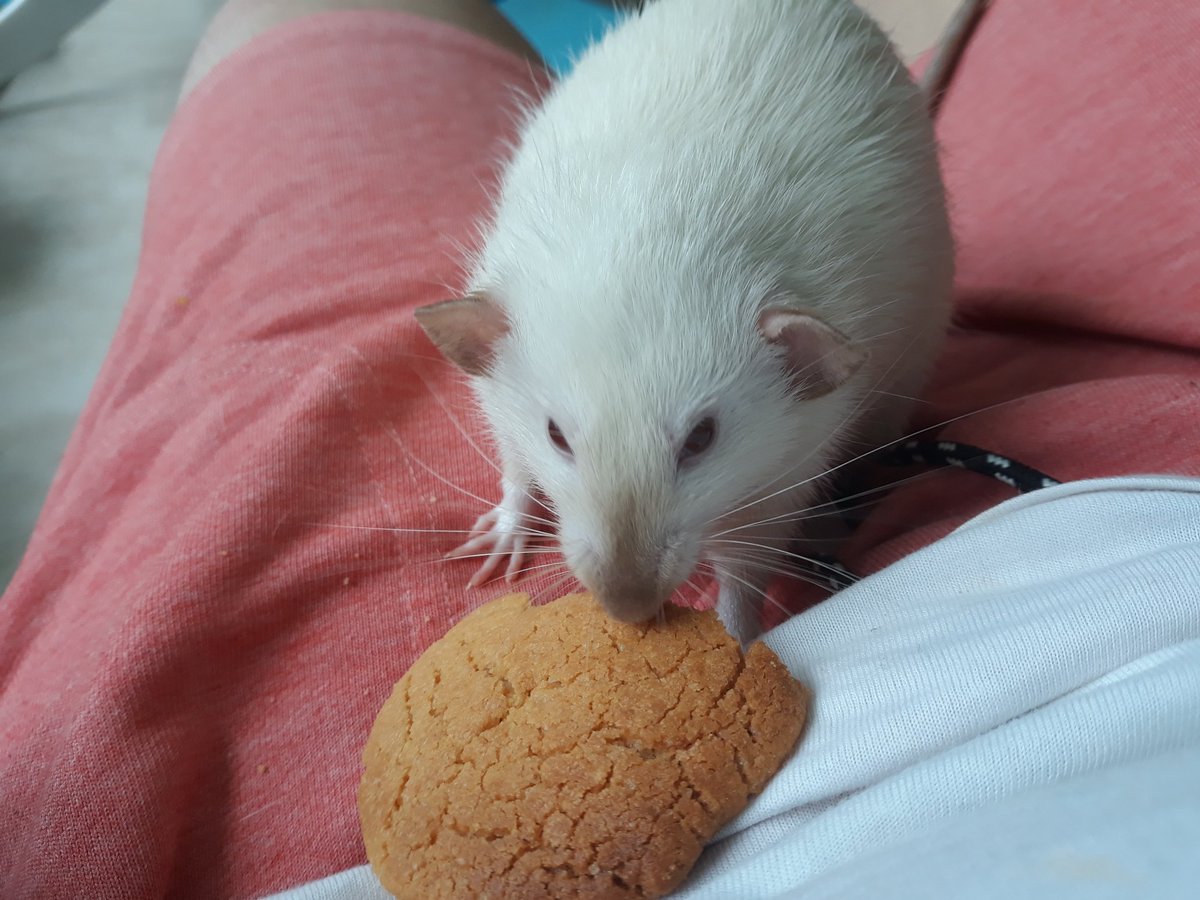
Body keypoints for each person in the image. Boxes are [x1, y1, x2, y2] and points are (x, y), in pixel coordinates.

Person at [1, 1, 1198, 897]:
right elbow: (508, 351)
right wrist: (532, 474)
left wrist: (743, 607)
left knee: (322, 27)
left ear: (796, 355)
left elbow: (824, 404)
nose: (621, 579)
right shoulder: (518, 314)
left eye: (703, 436)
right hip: (664, 121)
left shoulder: (810, 347)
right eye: (558, 433)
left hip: (806, 151)